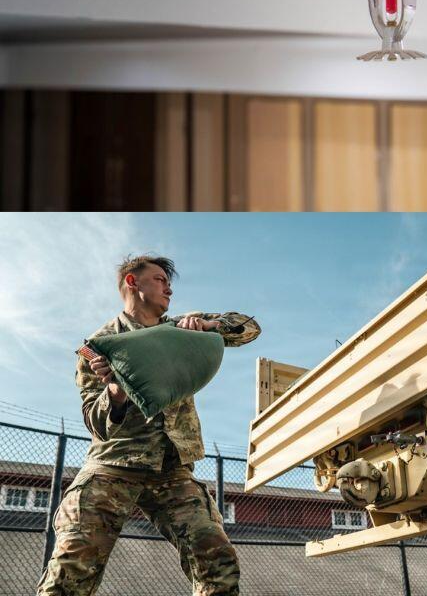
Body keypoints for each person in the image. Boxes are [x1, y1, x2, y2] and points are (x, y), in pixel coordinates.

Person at [36, 254, 261, 596]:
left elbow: (249, 328)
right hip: (113, 466)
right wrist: (115, 389)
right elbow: (95, 422)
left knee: (218, 563)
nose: (169, 287)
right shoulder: (97, 348)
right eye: (159, 279)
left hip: (172, 470)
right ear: (132, 282)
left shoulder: (181, 328)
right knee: (69, 573)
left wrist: (209, 327)